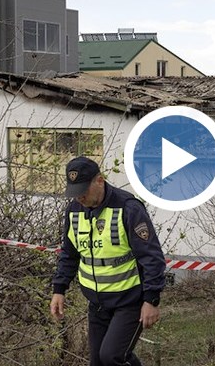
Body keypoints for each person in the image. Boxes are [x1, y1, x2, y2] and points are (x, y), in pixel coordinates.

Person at [50, 156, 166, 366]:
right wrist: (59, 288)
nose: (79, 197)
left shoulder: (128, 208)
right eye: (75, 192)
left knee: (112, 357)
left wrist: (151, 300)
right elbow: (69, 254)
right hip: (97, 304)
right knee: (98, 362)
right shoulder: (74, 211)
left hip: (129, 300)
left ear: (100, 181)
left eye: (83, 190)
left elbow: (152, 257)